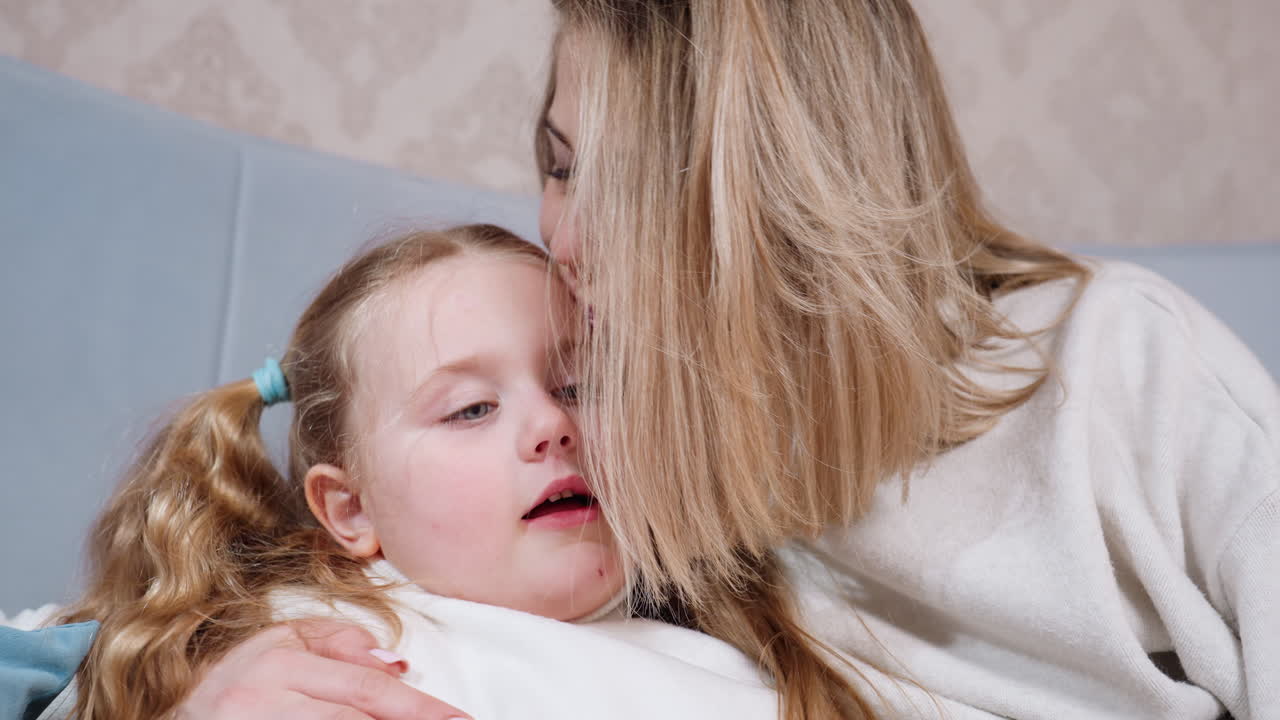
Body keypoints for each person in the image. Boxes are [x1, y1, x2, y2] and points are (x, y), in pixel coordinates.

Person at [21, 1, 1279, 718]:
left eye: (620, 189)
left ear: (786, 206)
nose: (558, 238)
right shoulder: (642, 453)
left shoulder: (1122, 369)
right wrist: (193, 684)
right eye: (556, 162)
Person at [54, 225, 779, 720]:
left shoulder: (728, 670)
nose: (553, 427)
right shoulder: (282, 646)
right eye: (470, 410)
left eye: (578, 388)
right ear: (350, 510)